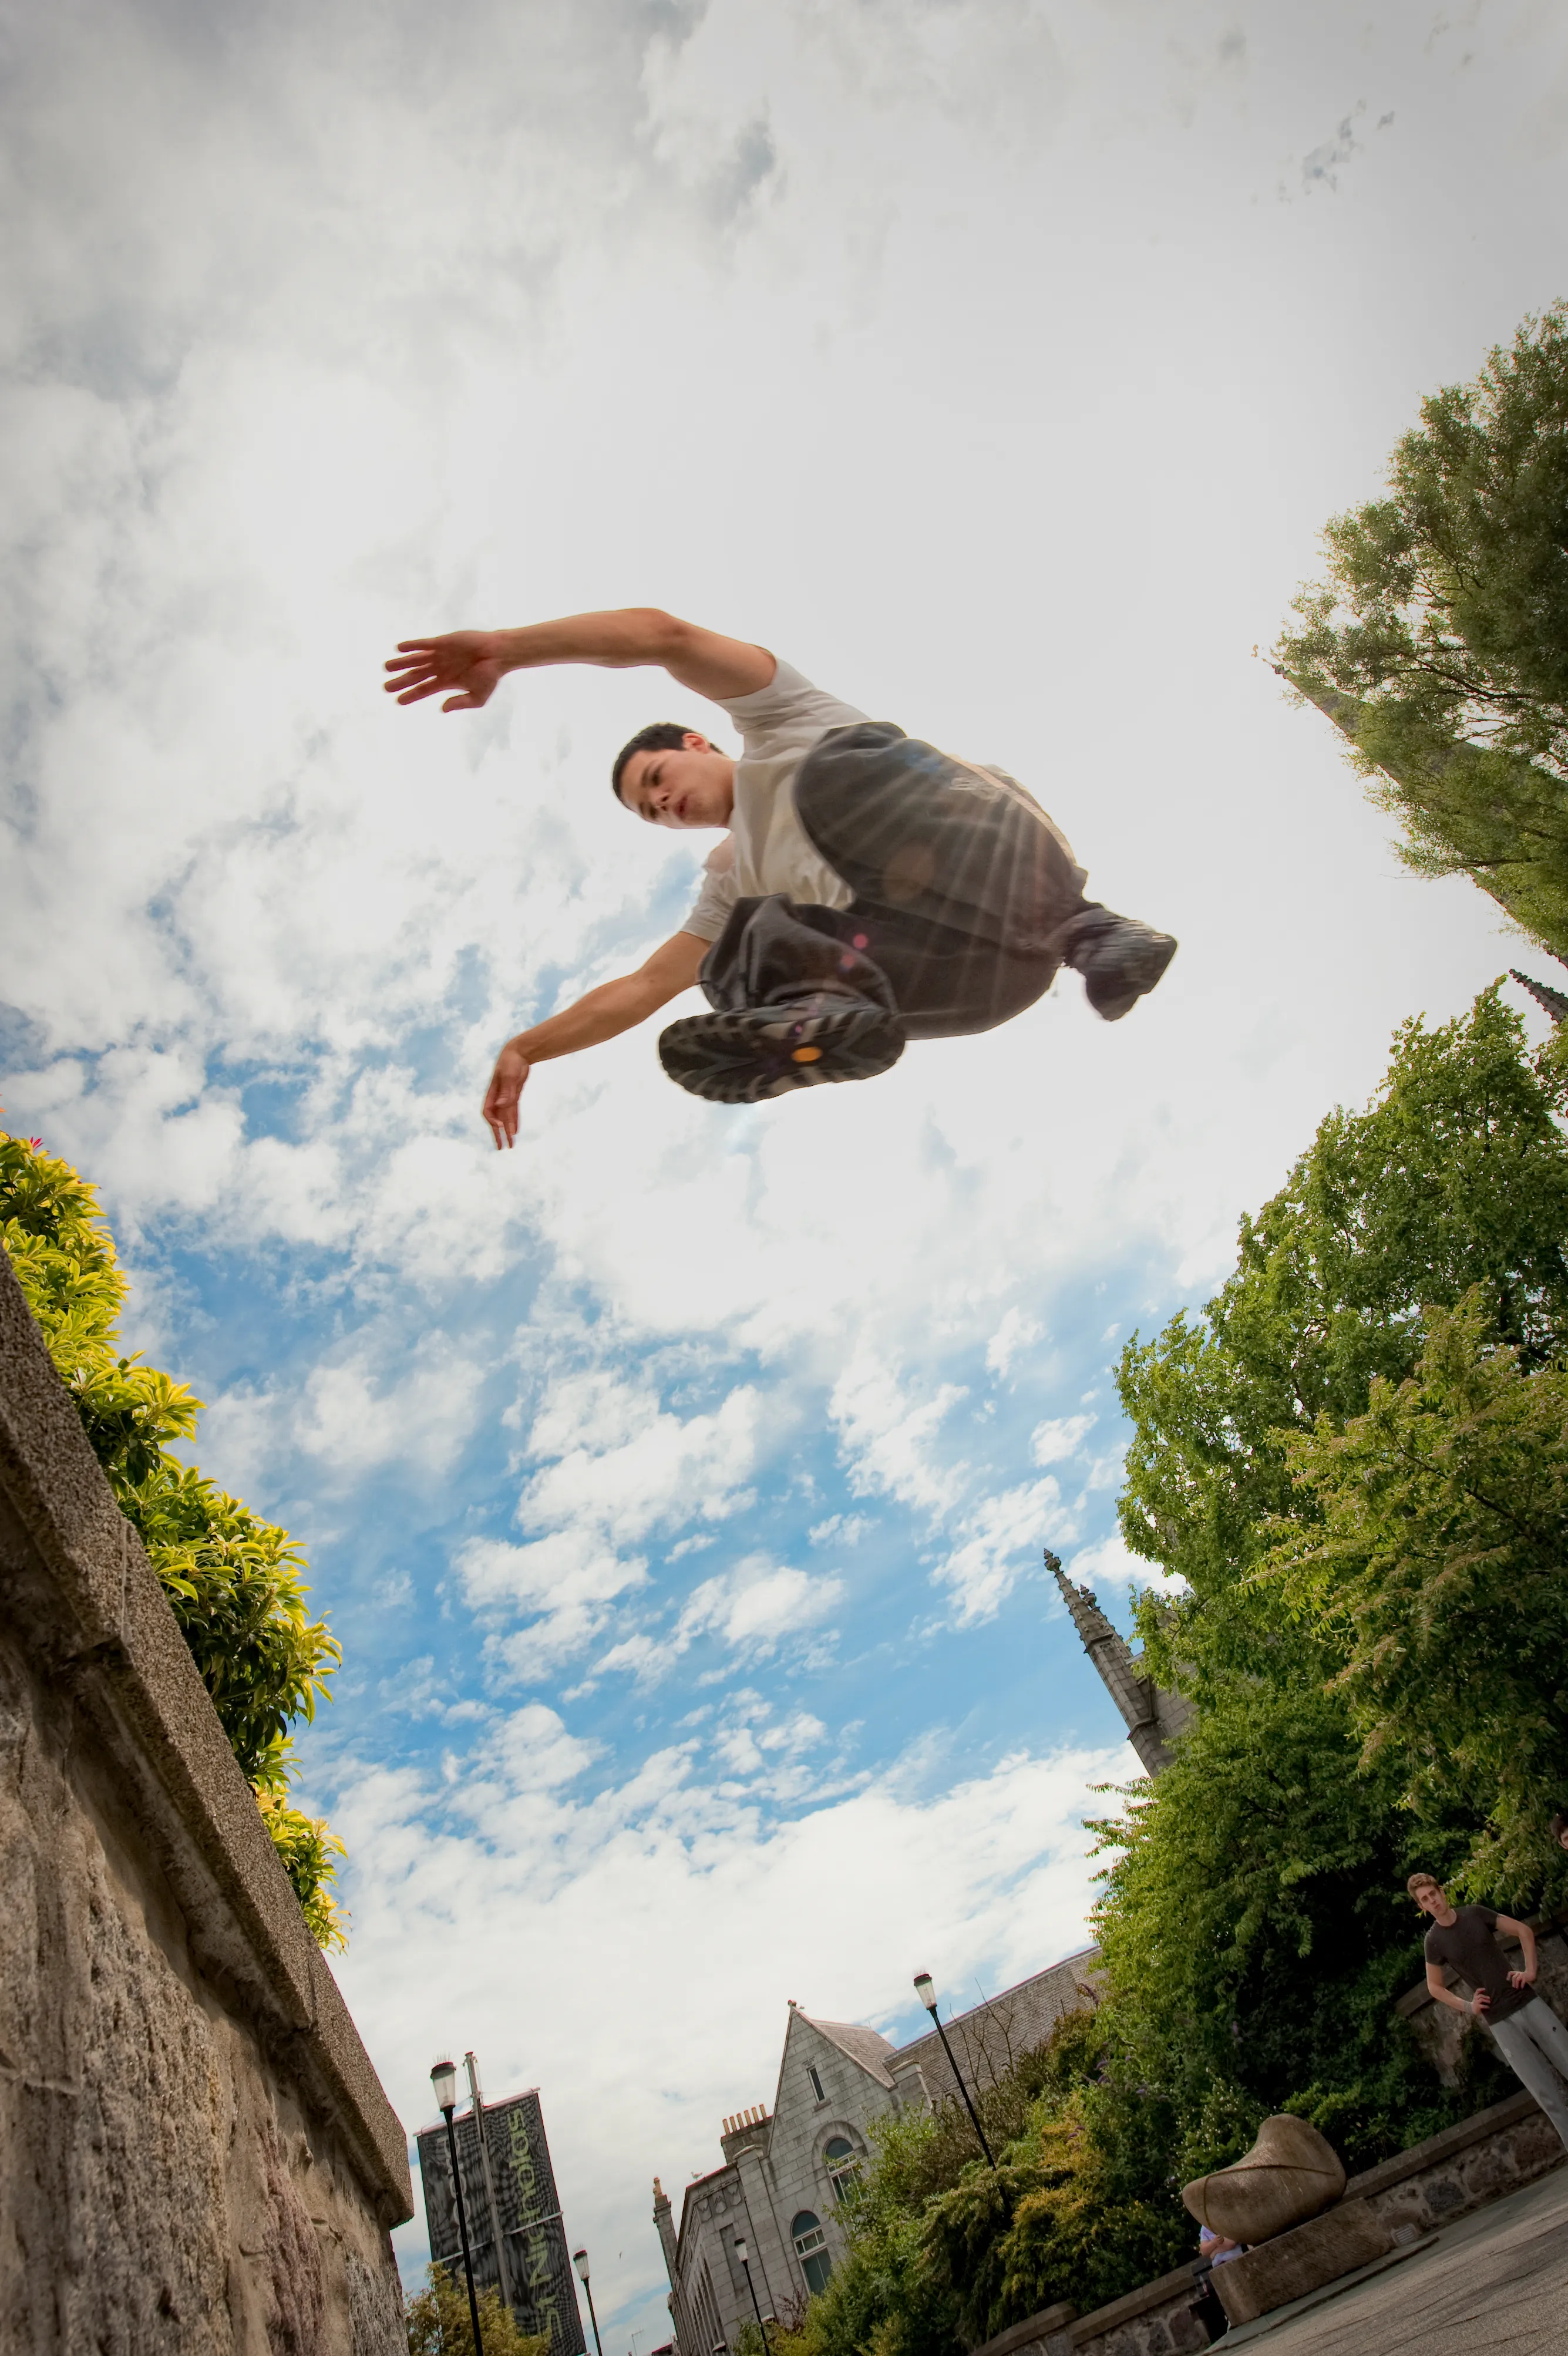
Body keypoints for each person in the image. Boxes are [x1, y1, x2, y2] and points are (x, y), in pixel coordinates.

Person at [383, 609, 1177, 1137]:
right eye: (648, 812)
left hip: (1003, 855)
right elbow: (640, 987)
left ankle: (1093, 929)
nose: (662, 804)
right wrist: (528, 1047)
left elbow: (663, 636)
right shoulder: (734, 881)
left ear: (696, 742)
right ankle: (828, 1017)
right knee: (730, 962)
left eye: (656, 780)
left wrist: (511, 650)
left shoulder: (782, 718)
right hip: (982, 981)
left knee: (833, 774)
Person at [1409, 1871, 1568, 2150]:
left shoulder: (1474, 1913)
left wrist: (1530, 1971)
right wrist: (1469, 2006)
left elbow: (1524, 1931)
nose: (1432, 1901)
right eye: (1424, 1899)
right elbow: (1435, 1988)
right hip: (1499, 2021)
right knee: (1545, 2093)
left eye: (1433, 1893)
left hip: (1526, 2002)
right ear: (1421, 1907)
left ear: (1441, 1892)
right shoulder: (1433, 1942)